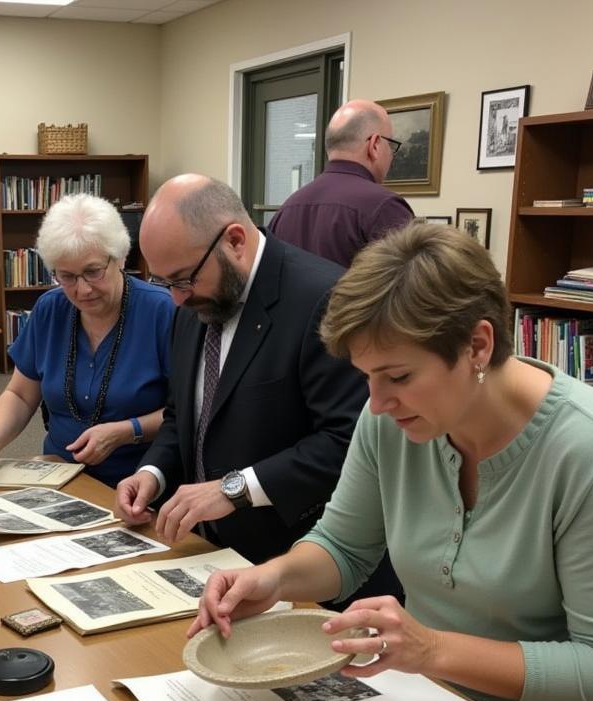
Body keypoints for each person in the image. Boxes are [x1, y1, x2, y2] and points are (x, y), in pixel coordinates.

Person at [191, 221, 593, 701]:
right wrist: (273, 579)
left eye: (397, 376)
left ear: (478, 345)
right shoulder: (392, 422)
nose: (375, 402)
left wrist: (435, 650)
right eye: (367, 376)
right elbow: (344, 546)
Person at [115, 174, 401, 602]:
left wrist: (236, 488)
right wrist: (151, 474)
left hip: (310, 575)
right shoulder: (193, 302)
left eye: (183, 279)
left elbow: (348, 441)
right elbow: (182, 416)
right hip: (212, 560)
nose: (175, 299)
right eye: (165, 283)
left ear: (234, 241)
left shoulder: (324, 298)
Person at [0, 193, 173, 489]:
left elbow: (189, 413)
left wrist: (127, 431)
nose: (82, 289)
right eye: (67, 276)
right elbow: (21, 395)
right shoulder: (50, 309)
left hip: (138, 483)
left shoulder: (163, 312)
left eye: (93, 272)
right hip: (58, 477)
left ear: (121, 257)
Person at [268, 99, 413, 268]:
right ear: (374, 145)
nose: (391, 154)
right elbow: (414, 287)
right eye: (390, 145)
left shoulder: (287, 208)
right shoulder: (384, 208)